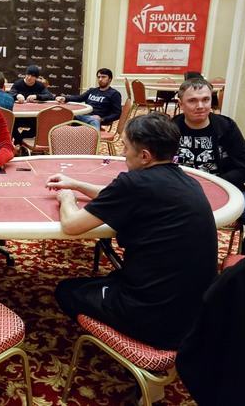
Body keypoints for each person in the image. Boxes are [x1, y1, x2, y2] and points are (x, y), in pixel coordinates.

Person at [48, 112, 217, 357]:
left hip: (153, 319)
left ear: (145, 156)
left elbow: (72, 225)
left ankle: (126, 343)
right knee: (111, 277)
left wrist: (67, 198)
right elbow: (117, 194)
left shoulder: (134, 183)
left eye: (126, 148)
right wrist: (76, 184)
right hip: (195, 315)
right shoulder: (187, 181)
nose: (123, 153)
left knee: (66, 290)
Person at [173, 77, 245, 255]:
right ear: (181, 104)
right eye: (192, 101)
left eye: (205, 99)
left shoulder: (226, 127)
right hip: (181, 194)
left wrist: (214, 185)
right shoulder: (170, 129)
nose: (200, 106)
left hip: (226, 191)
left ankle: (244, 261)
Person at [55, 68, 121, 130]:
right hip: (82, 115)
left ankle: (95, 137)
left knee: (94, 121)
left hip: (94, 119)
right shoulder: (92, 90)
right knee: (64, 116)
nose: (100, 79)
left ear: (110, 79)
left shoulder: (114, 94)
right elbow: (79, 98)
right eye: (98, 77)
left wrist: (102, 119)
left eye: (103, 77)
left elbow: (118, 113)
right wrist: (65, 98)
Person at [9, 64, 54, 145]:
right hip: (19, 116)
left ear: (36, 78)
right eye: (28, 74)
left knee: (39, 126)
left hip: (33, 116)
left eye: (32, 76)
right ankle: (19, 141)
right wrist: (17, 95)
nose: (29, 77)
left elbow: (50, 96)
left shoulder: (39, 85)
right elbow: (10, 93)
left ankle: (21, 139)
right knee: (11, 125)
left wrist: (36, 96)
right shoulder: (18, 83)